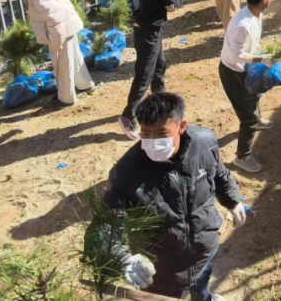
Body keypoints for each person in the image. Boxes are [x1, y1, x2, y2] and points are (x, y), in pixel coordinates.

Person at [97, 92, 243, 301]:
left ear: (181, 126)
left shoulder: (204, 142)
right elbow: (104, 226)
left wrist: (232, 200)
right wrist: (123, 258)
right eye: (146, 134)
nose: (152, 142)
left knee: (201, 286)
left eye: (161, 134)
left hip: (203, 248)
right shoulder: (127, 172)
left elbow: (219, 173)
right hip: (161, 267)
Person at [118, 0, 190, 140]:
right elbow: (171, 7)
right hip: (148, 31)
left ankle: (161, 102)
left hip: (149, 28)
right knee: (144, 75)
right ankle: (127, 117)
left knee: (159, 65)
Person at [3, 0, 95, 105]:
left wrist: (56, 39)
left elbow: (54, 15)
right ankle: (86, 85)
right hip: (67, 24)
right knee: (75, 58)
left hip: (58, 29)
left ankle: (66, 98)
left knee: (62, 66)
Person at [219, 0, 275, 173]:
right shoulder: (243, 24)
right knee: (247, 117)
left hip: (244, 68)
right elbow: (236, 54)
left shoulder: (255, 13)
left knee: (256, 92)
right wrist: (261, 59)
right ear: (266, 0)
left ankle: (257, 119)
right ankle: (242, 157)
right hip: (233, 71)